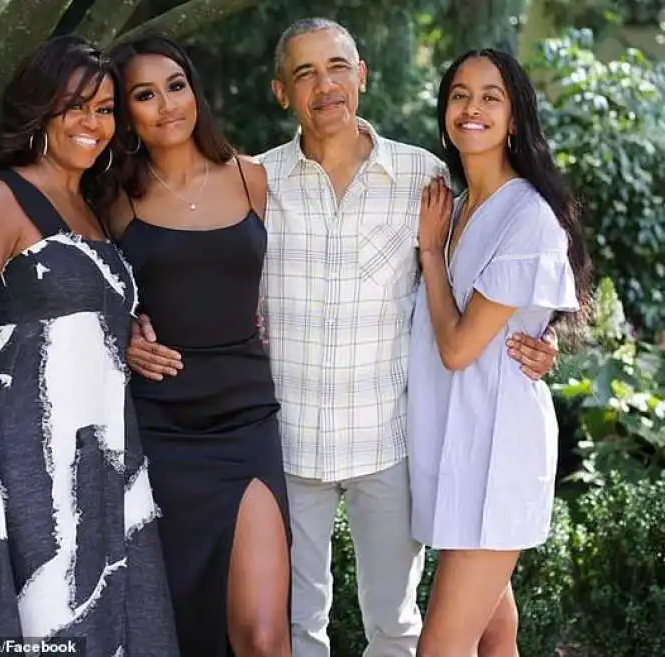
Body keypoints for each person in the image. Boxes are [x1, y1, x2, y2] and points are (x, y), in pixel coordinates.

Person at [127, 18, 559, 657]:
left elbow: (497, 259)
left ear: (361, 77)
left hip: (387, 442)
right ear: (281, 92)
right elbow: (194, 266)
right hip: (286, 443)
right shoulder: (255, 182)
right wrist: (131, 324)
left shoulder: (426, 179)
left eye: (336, 68)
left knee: (396, 627)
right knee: (299, 630)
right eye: (303, 73)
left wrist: (542, 335)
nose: (323, 85)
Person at [0, 35, 179, 655]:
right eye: (75, 106)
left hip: (100, 458)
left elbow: (80, 324)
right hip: (22, 461)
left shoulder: (92, 208)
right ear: (40, 109)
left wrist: (129, 336)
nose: (93, 124)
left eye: (106, 109)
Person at [95, 36, 291, 657]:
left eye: (175, 85)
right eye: (144, 95)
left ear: (195, 91)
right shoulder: (113, 198)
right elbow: (81, 293)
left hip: (246, 422)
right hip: (161, 428)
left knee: (262, 635)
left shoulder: (251, 176)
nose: (166, 105)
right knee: (181, 627)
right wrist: (119, 334)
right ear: (126, 113)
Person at [409, 49, 591, 657]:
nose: (472, 108)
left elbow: (459, 348)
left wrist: (431, 257)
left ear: (514, 118)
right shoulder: (457, 208)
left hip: (497, 451)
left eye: (491, 96)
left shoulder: (526, 217)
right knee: (494, 630)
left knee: (440, 648)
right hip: (457, 442)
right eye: (460, 94)